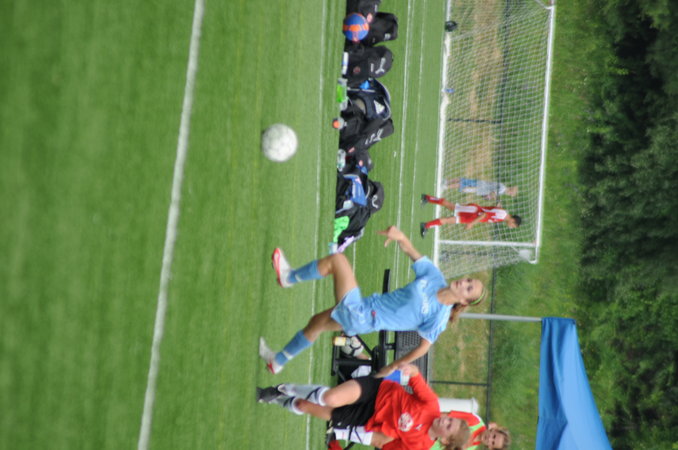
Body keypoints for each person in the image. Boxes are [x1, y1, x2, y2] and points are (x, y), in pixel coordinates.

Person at [259, 225, 486, 375]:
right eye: (468, 280)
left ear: (465, 301)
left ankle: (288, 278)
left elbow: (423, 348)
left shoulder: (440, 317)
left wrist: (393, 367)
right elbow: (411, 251)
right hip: (365, 307)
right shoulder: (435, 277)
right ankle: (277, 362)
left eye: (468, 289)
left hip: (364, 317)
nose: (463, 283)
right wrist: (400, 237)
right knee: (316, 323)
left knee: (338, 261)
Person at [256, 364, 471, 450]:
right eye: (450, 419)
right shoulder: (431, 405)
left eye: (448, 426)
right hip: (376, 391)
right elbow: (416, 377)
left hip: (366, 418)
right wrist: (409, 369)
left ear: (445, 440)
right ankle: (280, 389)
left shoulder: (419, 445)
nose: (445, 420)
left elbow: (386, 445)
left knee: (303, 405)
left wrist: (370, 435)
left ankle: (275, 399)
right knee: (330, 397)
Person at [420, 195, 521, 237]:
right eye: (513, 226)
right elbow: (485, 214)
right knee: (450, 211)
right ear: (513, 220)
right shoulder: (502, 215)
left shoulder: (503, 214)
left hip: (473, 213)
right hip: (473, 214)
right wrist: (472, 224)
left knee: (450, 212)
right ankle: (427, 200)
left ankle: (426, 224)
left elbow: (492, 210)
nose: (511, 227)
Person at [429, 410, 511, 450]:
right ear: (493, 430)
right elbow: (445, 416)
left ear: (491, 447)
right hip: (427, 430)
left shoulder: (472, 448)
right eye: (494, 436)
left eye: (493, 442)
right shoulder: (475, 421)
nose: (490, 439)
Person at [443, 178, 518, 201]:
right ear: (510, 190)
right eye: (510, 194)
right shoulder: (502, 189)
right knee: (463, 186)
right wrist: (497, 200)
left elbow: (491, 192)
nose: (509, 194)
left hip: (480, 185)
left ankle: (447, 182)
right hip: (480, 187)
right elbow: (493, 193)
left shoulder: (502, 188)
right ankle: (446, 186)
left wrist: (487, 196)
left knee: (463, 181)